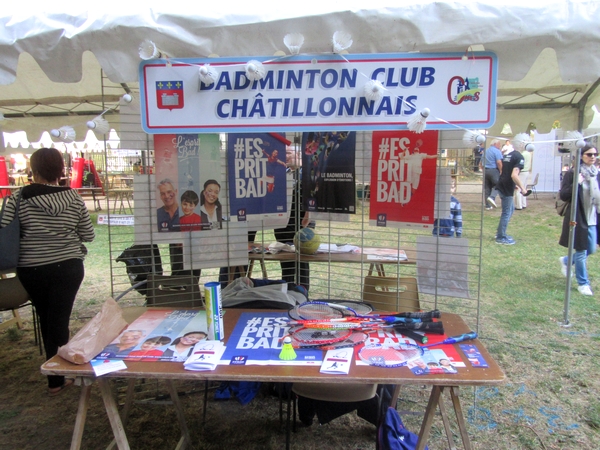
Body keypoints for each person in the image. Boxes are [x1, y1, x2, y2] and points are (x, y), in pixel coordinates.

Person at [0, 147, 95, 396]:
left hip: (32, 268)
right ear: (60, 170)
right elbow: (89, 234)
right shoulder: (74, 198)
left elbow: (5, 230)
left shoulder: (18, 198)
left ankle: (55, 375)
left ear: (34, 169)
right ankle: (58, 375)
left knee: (46, 317)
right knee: (60, 320)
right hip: (68, 266)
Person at [559, 144, 600, 296]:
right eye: (589, 154)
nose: (593, 157)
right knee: (582, 251)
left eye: (595, 154)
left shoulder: (596, 173)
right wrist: (577, 182)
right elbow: (563, 195)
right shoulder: (573, 173)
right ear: (581, 156)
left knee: (591, 248)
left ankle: (567, 261)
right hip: (578, 217)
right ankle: (583, 283)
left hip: (593, 217)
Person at [275, 146, 314, 291]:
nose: (285, 156)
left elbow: (314, 195)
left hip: (303, 222)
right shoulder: (280, 174)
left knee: (302, 260)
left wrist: (309, 215)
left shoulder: (308, 173)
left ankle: (302, 293)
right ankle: (287, 291)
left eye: (288, 153)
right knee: (285, 259)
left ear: (299, 155)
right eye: (282, 153)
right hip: (282, 224)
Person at [495, 143, 527, 245]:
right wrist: (523, 188)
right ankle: (501, 237)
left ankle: (500, 232)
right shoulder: (519, 157)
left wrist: (515, 185)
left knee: (511, 209)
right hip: (507, 187)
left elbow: (505, 171)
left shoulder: (508, 155)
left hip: (503, 183)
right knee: (507, 212)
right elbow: (514, 175)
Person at [482, 139, 503, 209]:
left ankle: (488, 205)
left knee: (487, 187)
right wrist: (501, 171)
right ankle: (492, 197)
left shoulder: (485, 151)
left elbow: (481, 163)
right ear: (495, 144)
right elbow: (499, 162)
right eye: (499, 144)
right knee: (497, 185)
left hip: (486, 170)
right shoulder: (497, 151)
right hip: (494, 170)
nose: (499, 146)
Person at [514, 146, 533, 210]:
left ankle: (518, 205)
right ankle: (523, 204)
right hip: (526, 172)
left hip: (522, 172)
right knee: (524, 188)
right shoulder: (528, 154)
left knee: (518, 188)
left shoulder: (522, 155)